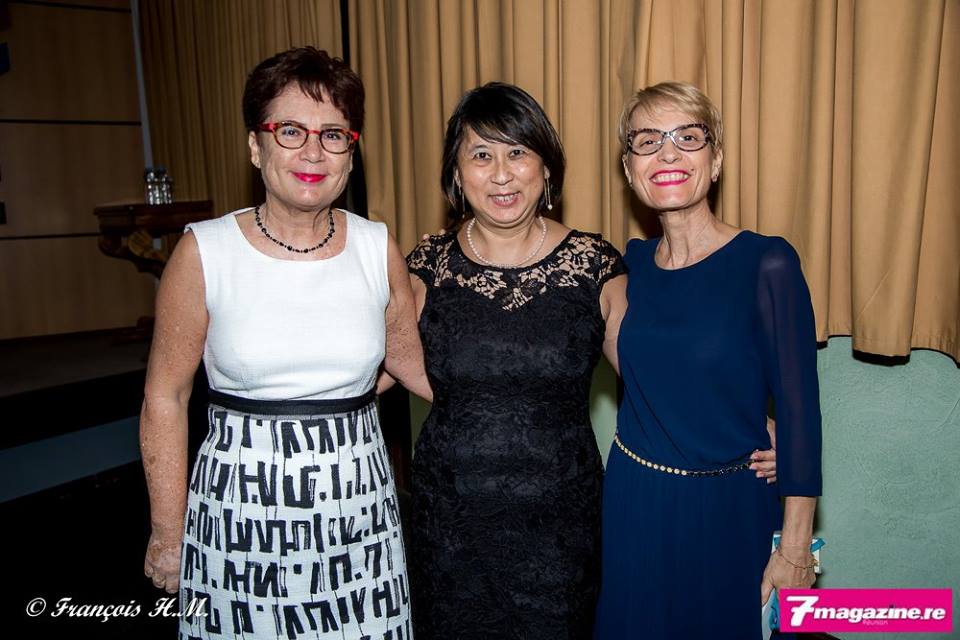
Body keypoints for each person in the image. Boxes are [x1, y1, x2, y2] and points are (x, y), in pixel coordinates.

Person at [401, 82, 776, 639]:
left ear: (546, 168)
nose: (501, 174)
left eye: (518, 152)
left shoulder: (593, 264)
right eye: (481, 155)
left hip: (561, 527)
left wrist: (754, 426)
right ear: (457, 174)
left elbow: (655, 374)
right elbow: (375, 360)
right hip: (450, 524)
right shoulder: (427, 263)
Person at [140, 47, 429, 640]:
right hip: (240, 513)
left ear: (352, 151)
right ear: (256, 145)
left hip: (359, 510)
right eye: (291, 130)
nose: (313, 152)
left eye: (333, 135)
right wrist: (169, 534)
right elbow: (165, 398)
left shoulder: (377, 247)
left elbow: (408, 364)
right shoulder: (204, 252)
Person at [593, 81, 822, 639]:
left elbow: (801, 412)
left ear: (715, 161)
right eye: (647, 141)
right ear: (629, 169)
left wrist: (795, 549)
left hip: (731, 507)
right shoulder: (629, 265)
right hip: (635, 502)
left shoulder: (767, 262)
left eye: (687, 138)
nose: (667, 153)